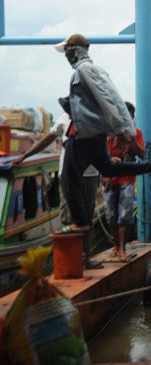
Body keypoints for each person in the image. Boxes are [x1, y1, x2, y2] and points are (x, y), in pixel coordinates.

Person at [55, 34, 151, 233]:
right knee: (111, 169)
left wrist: (122, 131)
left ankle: (80, 221)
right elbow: (114, 99)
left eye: (68, 50)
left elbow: (106, 100)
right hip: (96, 137)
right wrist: (124, 128)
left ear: (76, 50)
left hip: (82, 136)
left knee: (68, 178)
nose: (67, 55)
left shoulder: (83, 70)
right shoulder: (97, 70)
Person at [12, 96, 102, 268]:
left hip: (90, 174)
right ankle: (72, 259)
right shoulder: (63, 120)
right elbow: (47, 139)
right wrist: (25, 156)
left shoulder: (92, 120)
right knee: (68, 216)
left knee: (87, 216)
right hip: (68, 174)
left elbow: (101, 144)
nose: (68, 112)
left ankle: (85, 258)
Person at [103, 102, 145, 261]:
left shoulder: (136, 133)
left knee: (124, 215)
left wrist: (132, 139)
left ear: (132, 117)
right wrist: (105, 171)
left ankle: (122, 248)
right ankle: (115, 245)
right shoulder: (109, 133)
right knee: (110, 215)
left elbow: (141, 154)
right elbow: (102, 154)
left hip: (127, 178)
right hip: (110, 178)